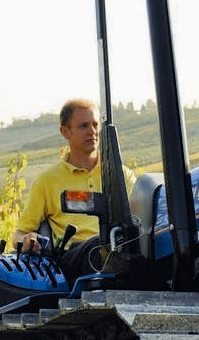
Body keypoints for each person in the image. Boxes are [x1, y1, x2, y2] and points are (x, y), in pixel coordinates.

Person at [13, 98, 131, 280]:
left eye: (95, 125)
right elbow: (18, 234)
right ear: (65, 131)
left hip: (119, 247)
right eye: (84, 126)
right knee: (100, 245)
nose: (92, 131)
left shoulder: (121, 175)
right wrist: (26, 239)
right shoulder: (47, 181)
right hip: (74, 257)